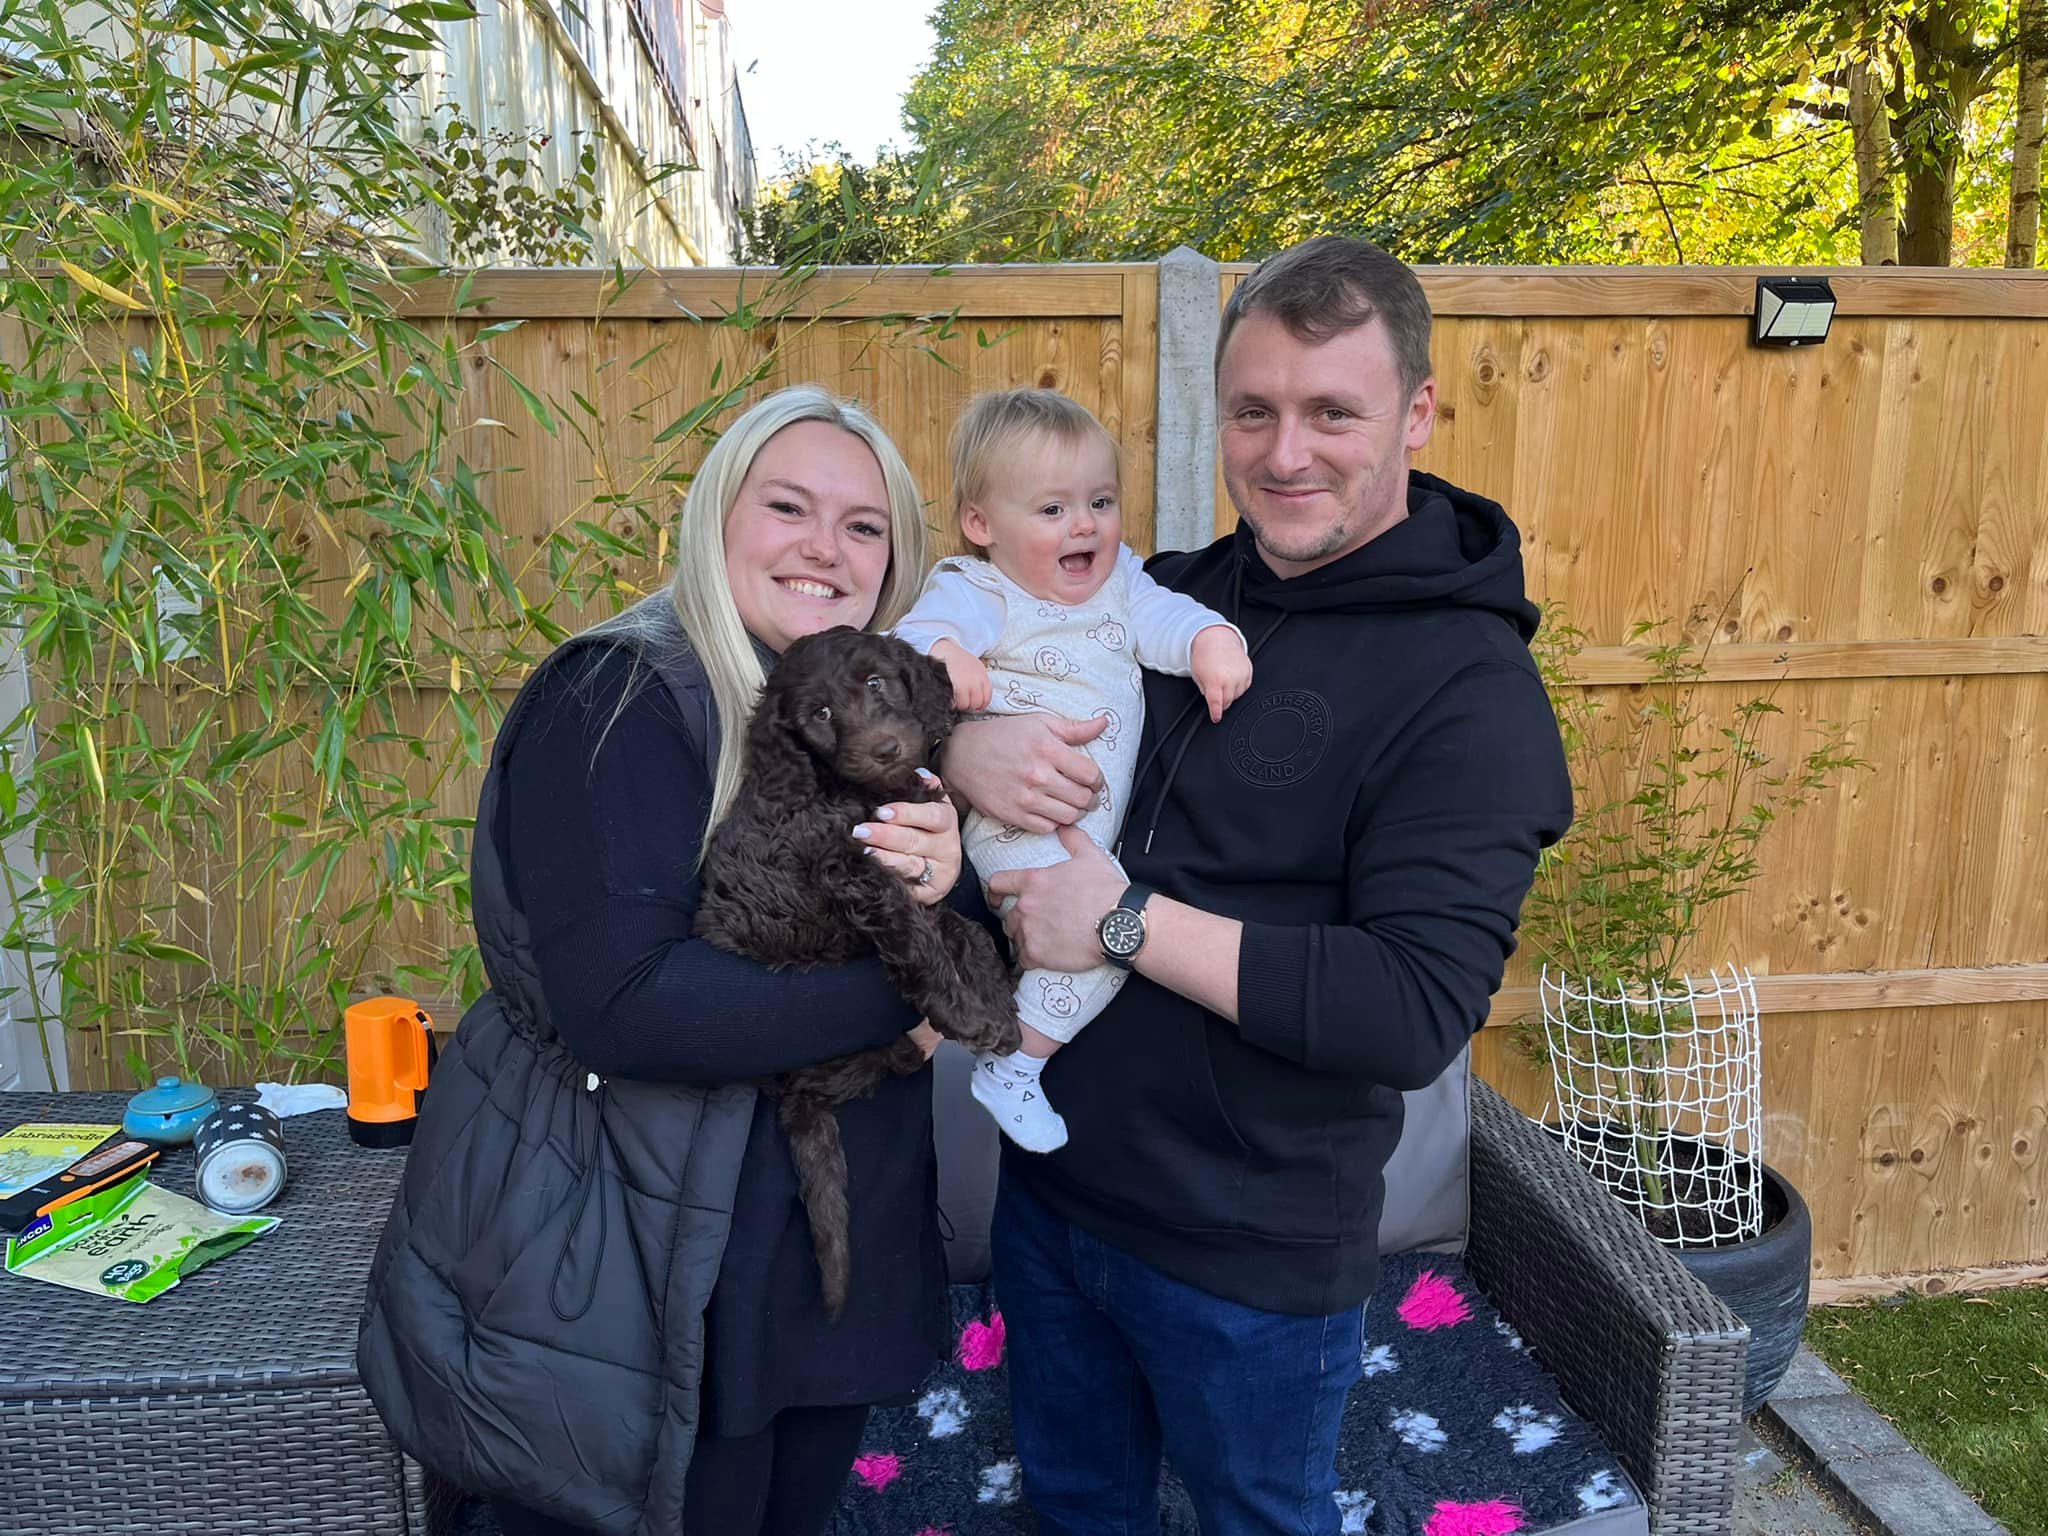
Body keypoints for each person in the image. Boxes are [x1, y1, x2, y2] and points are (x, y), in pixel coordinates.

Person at [940, 236, 1575, 1534]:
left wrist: (1121, 923)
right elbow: (998, 678)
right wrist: (966, 746)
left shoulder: (1470, 693)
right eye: (1255, 411)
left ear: (1414, 414)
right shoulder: (1164, 595)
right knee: (1072, 1508)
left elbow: (1409, 1009)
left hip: (1247, 1262)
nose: (1286, 454)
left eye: (1331, 411)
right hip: (1052, 1202)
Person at [357, 385, 982, 1536]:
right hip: (646, 1253)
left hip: (823, 1236)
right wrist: (907, 1008)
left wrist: (951, 890)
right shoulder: (622, 696)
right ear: (715, 517)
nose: (823, 548)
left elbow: (974, 938)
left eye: (862, 525)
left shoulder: (867, 708)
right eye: (786, 506)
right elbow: (631, 1008)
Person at [892, 387, 1252, 1153]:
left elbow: (1166, 618)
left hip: (1084, 831)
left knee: (1101, 933)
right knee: (1101, 944)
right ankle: (1015, 1064)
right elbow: (918, 634)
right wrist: (945, 656)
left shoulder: (1121, 582)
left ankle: (1003, 1041)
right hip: (1014, 821)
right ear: (982, 525)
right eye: (1052, 510)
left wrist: (1210, 641)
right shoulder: (983, 588)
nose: (1084, 524)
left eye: (1099, 500)